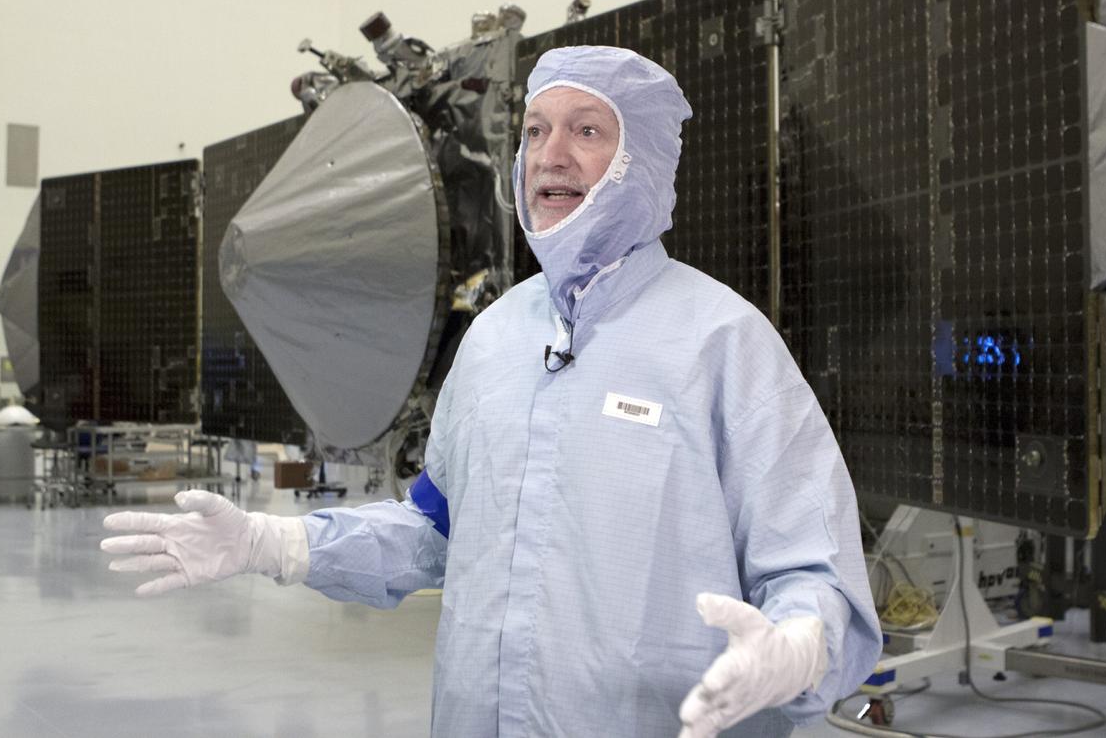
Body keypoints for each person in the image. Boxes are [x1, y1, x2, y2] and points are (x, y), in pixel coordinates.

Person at [101, 46, 882, 737]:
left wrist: (797, 649)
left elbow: (811, 571)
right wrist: (275, 544)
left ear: (641, 157)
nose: (550, 156)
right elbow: (434, 528)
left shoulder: (724, 342)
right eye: (535, 131)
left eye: (586, 130)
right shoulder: (495, 339)